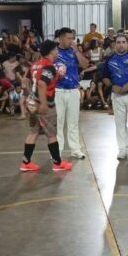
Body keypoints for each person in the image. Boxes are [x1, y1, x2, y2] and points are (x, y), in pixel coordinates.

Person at [20, 40, 73, 172]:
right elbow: (42, 84)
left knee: (34, 132)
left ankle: (26, 163)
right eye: (56, 49)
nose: (57, 51)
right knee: (52, 134)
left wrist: (30, 95)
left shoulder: (35, 64)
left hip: (32, 103)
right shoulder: (49, 66)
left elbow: (25, 80)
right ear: (51, 51)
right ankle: (57, 163)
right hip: (44, 104)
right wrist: (43, 103)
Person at [100, 34, 128, 160]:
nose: (120, 44)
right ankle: (122, 149)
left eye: (123, 42)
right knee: (120, 124)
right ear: (115, 44)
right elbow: (104, 77)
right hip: (117, 96)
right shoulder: (110, 59)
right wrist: (111, 85)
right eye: (118, 42)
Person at [54, 27, 90, 159]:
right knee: (59, 122)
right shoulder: (54, 52)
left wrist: (77, 52)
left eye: (72, 38)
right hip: (58, 90)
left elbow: (85, 65)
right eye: (69, 38)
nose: (71, 40)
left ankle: (76, 150)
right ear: (61, 38)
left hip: (74, 90)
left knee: (73, 122)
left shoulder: (74, 51)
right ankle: (57, 151)